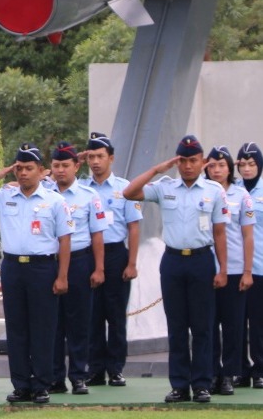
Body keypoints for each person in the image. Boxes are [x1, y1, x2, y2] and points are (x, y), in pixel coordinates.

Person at [124, 134, 227, 404]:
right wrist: (157, 169)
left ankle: (202, 384)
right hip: (172, 262)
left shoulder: (214, 191)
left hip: (202, 260)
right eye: (183, 161)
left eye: (193, 160)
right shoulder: (165, 186)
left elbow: (219, 232)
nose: (188, 166)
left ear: (203, 162)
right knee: (177, 326)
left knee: (203, 327)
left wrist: (222, 269)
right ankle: (180, 385)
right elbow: (129, 192)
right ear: (177, 162)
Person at [0, 144, 71, 405]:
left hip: (43, 267)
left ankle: (42, 384)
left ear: (41, 171)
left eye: (29, 168)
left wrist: (62, 276)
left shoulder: (54, 201)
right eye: (19, 168)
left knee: (43, 328)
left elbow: (65, 239)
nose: (23, 173)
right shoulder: (4, 196)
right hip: (13, 268)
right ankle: (21, 384)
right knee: (17, 328)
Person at [80, 131, 142, 387]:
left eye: (100, 156)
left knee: (115, 316)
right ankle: (95, 369)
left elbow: (134, 227)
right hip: (89, 256)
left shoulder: (124, 189)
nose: (95, 161)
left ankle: (116, 368)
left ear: (111, 158)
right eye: (91, 156)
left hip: (116, 254)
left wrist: (132, 263)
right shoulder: (82, 188)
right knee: (92, 316)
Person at [47, 143, 107, 395]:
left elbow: (97, 235)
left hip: (79, 261)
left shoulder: (88, 196)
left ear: (76, 166)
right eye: (56, 165)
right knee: (52, 323)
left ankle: (79, 376)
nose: (60, 170)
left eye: (65, 165)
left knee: (79, 322)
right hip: (49, 263)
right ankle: (54, 377)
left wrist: (99, 268)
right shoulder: (44, 193)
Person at [205, 146, 254, 395]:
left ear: (229, 168)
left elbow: (247, 235)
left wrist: (247, 271)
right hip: (205, 268)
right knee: (208, 325)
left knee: (233, 325)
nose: (216, 170)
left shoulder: (241, 195)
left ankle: (229, 374)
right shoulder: (200, 193)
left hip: (234, 268)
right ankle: (212, 372)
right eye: (212, 165)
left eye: (221, 165)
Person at [236, 142, 263, 388]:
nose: (246, 169)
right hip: (237, 265)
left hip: (260, 265)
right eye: (242, 164)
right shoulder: (232, 191)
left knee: (258, 321)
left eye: (251, 164)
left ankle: (260, 369)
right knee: (237, 320)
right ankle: (240, 370)